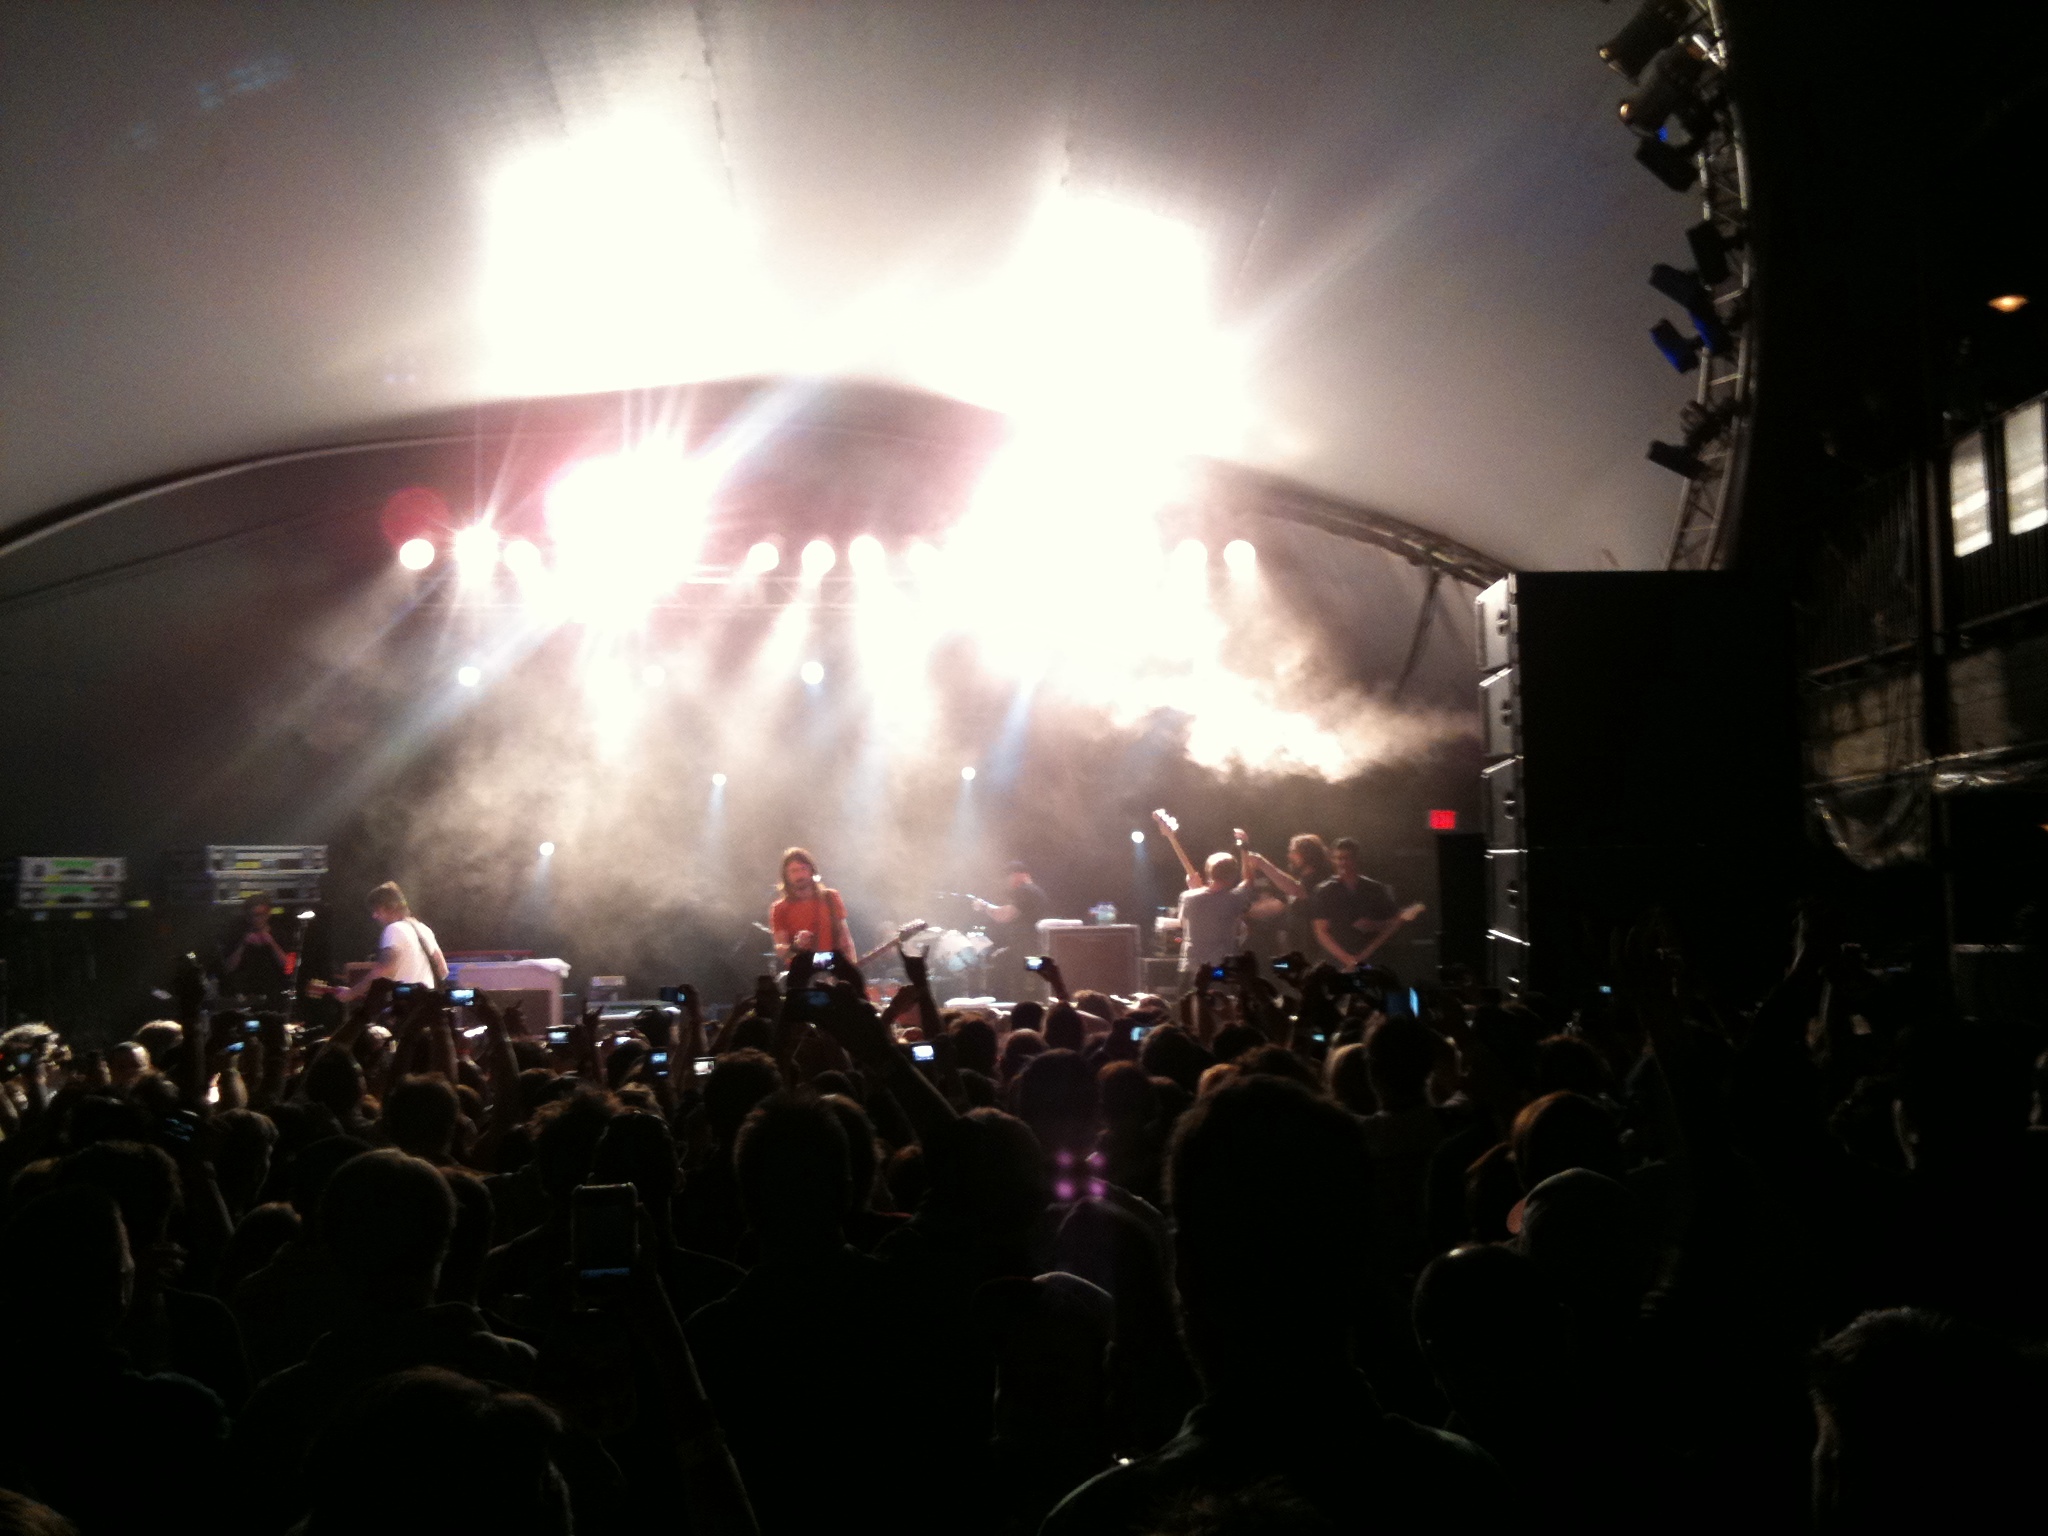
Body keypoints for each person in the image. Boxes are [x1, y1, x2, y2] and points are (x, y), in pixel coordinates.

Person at [330, 881, 444, 1003]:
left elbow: (383, 970)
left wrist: (352, 993)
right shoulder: (424, 929)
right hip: (427, 1007)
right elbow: (442, 969)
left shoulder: (394, 929)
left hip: (406, 1008)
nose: (374, 916)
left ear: (389, 907)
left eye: (377, 910)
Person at [1308, 838, 1398, 968]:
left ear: (1356, 859)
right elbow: (1321, 931)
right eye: (1338, 858)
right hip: (1336, 962)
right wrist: (1347, 959)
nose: (1342, 863)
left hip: (1372, 960)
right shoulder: (1324, 891)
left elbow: (1392, 923)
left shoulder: (1375, 889)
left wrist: (1374, 925)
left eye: (1346, 858)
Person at [974, 860, 1054, 999]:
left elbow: (1004, 915)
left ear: (1018, 875)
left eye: (1008, 876)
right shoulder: (1036, 891)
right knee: (1002, 959)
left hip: (1026, 951)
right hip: (1033, 949)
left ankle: (1006, 1006)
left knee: (1013, 979)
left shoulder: (1025, 890)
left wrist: (984, 906)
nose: (1007, 881)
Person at [768, 847, 854, 969]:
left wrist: (851, 970)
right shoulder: (779, 908)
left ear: (812, 871)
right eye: (794, 871)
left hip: (833, 970)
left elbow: (845, 939)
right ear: (786, 876)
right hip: (802, 975)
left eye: (803, 869)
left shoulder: (830, 897)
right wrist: (796, 945)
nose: (800, 875)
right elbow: (781, 951)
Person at [1177, 852, 1257, 980]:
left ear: (1209, 872)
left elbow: (1182, 923)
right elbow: (1248, 881)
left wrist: (1193, 890)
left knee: (1189, 999)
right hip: (1219, 969)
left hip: (1191, 967)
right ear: (1233, 875)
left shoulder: (1187, 897)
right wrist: (1244, 850)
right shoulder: (1234, 898)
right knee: (1222, 998)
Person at [219, 896, 291, 1002]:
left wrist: (272, 943)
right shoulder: (237, 934)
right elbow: (228, 968)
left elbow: (288, 966)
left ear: (268, 914)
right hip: (245, 994)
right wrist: (243, 944)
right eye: (253, 915)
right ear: (247, 916)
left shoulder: (280, 933)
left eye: (261, 914)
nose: (257, 919)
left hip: (273, 993)